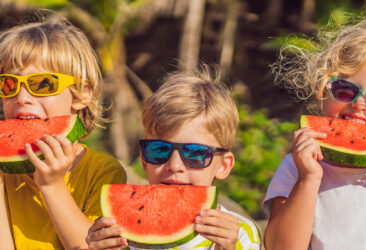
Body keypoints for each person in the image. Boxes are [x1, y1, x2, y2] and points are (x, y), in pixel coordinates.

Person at [86, 66, 261, 250]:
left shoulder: (239, 234)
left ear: (224, 166)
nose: (174, 165)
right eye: (159, 150)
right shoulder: (120, 231)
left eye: (195, 153)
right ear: (144, 159)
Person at [263, 15, 366, 250]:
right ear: (322, 93)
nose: (359, 104)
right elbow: (280, 247)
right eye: (345, 90)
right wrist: (308, 179)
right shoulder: (297, 166)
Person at [0, 17, 127, 249]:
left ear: (81, 94)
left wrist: (51, 186)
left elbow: (88, 247)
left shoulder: (103, 172)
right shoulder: (4, 173)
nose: (22, 98)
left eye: (43, 84)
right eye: (8, 84)